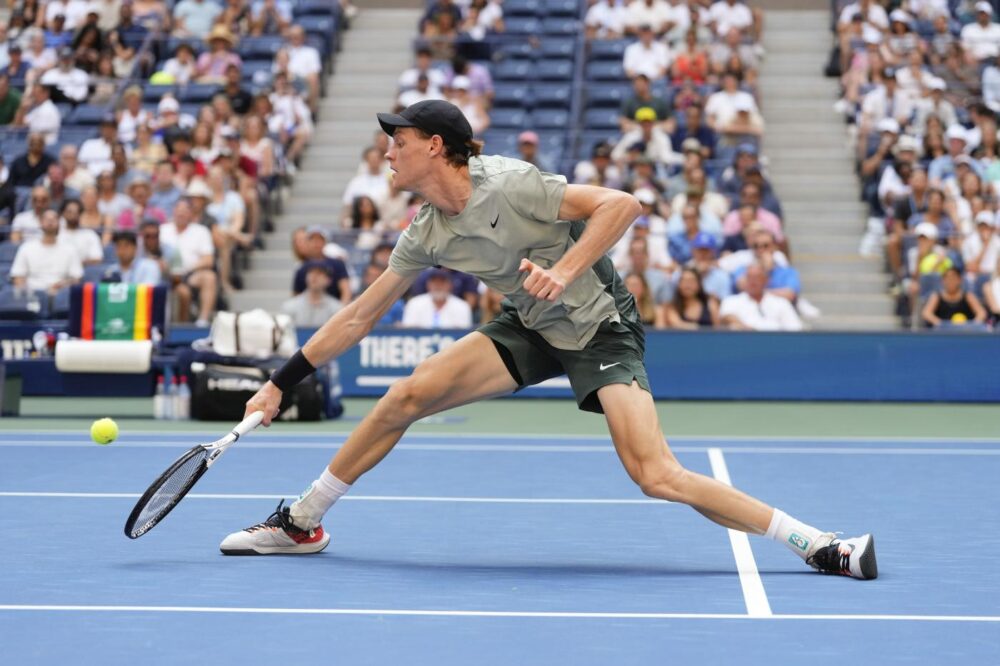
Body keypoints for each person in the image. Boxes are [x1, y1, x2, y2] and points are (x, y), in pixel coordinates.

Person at [219, 100, 877, 582]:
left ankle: (817, 544)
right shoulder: (426, 231)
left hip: (599, 328)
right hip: (529, 323)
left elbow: (622, 205)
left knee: (655, 475)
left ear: (439, 147)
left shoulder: (511, 183)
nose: (388, 151)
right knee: (404, 396)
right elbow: (357, 317)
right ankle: (302, 522)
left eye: (401, 140)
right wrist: (279, 382)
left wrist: (562, 273)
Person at [159, 198, 218, 326]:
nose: (181, 214)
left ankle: (202, 320)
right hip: (165, 274)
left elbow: (208, 259)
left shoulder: (201, 231)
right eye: (178, 210)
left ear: (191, 213)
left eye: (185, 211)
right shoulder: (162, 230)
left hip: (190, 274)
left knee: (209, 277)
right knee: (183, 293)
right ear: (173, 211)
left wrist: (187, 268)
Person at [9, 209, 82, 293]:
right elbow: (18, 276)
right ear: (40, 223)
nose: (50, 222)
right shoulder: (26, 248)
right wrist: (26, 296)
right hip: (32, 294)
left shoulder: (70, 249)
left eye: (54, 219)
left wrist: (62, 285)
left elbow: (76, 278)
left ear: (59, 223)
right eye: (47, 219)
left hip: (61, 293)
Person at [720, 262, 802, 331]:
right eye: (749, 277)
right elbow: (725, 317)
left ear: (766, 280)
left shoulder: (781, 303)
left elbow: (795, 329)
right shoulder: (731, 301)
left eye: (757, 277)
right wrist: (747, 329)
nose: (753, 281)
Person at [401, 267, 473, 328]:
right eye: (434, 282)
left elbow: (463, 333)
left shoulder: (462, 306)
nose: (438, 286)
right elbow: (408, 331)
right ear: (428, 284)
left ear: (450, 285)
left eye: (442, 282)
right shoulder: (414, 303)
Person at [282, 260, 345, 327]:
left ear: (328, 280)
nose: (314, 276)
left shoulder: (337, 308)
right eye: (311, 272)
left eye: (320, 273)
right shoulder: (289, 306)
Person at [921, 266, 988, 328]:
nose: (950, 281)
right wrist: (940, 324)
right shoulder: (936, 296)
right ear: (942, 281)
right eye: (947, 278)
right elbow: (926, 313)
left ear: (960, 280)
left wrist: (972, 325)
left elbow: (981, 313)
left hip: (965, 332)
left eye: (953, 278)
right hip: (942, 333)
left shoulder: (968, 296)